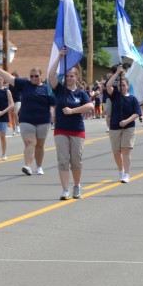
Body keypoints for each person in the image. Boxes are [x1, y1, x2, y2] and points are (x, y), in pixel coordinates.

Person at [0, 63, 53, 176]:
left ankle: (39, 166)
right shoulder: (25, 84)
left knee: (39, 145)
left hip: (43, 120)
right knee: (29, 142)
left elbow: (54, 105)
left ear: (41, 76)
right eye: (31, 76)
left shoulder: (47, 89)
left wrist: (56, 117)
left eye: (36, 76)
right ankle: (27, 166)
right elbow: (8, 77)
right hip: (26, 119)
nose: (33, 78)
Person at [48, 54, 94, 199]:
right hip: (61, 129)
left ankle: (76, 185)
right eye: (67, 76)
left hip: (77, 130)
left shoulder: (81, 93)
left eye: (72, 76)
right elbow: (50, 75)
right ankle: (65, 189)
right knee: (62, 160)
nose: (69, 78)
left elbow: (90, 106)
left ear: (77, 77)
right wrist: (59, 57)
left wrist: (73, 110)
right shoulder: (60, 90)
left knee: (76, 161)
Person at [105, 65, 141, 183]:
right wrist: (117, 73)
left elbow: (137, 113)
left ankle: (126, 173)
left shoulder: (133, 99)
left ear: (127, 86)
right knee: (116, 152)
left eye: (124, 85)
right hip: (115, 127)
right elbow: (108, 85)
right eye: (120, 85)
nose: (122, 87)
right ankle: (120, 170)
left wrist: (127, 121)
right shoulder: (115, 95)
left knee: (126, 150)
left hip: (129, 128)